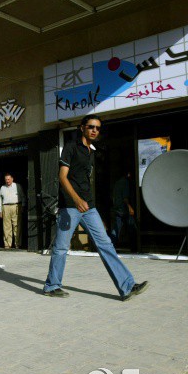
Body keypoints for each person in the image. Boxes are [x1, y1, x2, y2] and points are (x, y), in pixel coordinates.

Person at [43, 115, 148, 301]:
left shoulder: (91, 151)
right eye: (91, 126)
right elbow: (62, 177)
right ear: (82, 128)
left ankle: (127, 286)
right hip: (70, 206)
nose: (94, 130)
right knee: (61, 247)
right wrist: (76, 199)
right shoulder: (71, 147)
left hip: (89, 207)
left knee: (105, 244)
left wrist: (88, 203)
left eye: (98, 128)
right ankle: (52, 286)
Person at [112, 169, 137, 251]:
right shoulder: (125, 183)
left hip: (117, 208)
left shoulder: (117, 183)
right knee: (131, 227)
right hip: (124, 209)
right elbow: (125, 198)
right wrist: (130, 207)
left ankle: (112, 246)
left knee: (116, 228)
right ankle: (134, 248)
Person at [0, 172, 25, 249]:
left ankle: (17, 244)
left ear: (12, 179)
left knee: (17, 226)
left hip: (16, 206)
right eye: (6, 179)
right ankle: (7, 244)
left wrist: (23, 206)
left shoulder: (17, 186)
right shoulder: (2, 187)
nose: (7, 181)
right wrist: (0, 210)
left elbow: (23, 197)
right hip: (5, 207)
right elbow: (0, 200)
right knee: (6, 226)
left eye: (9, 179)